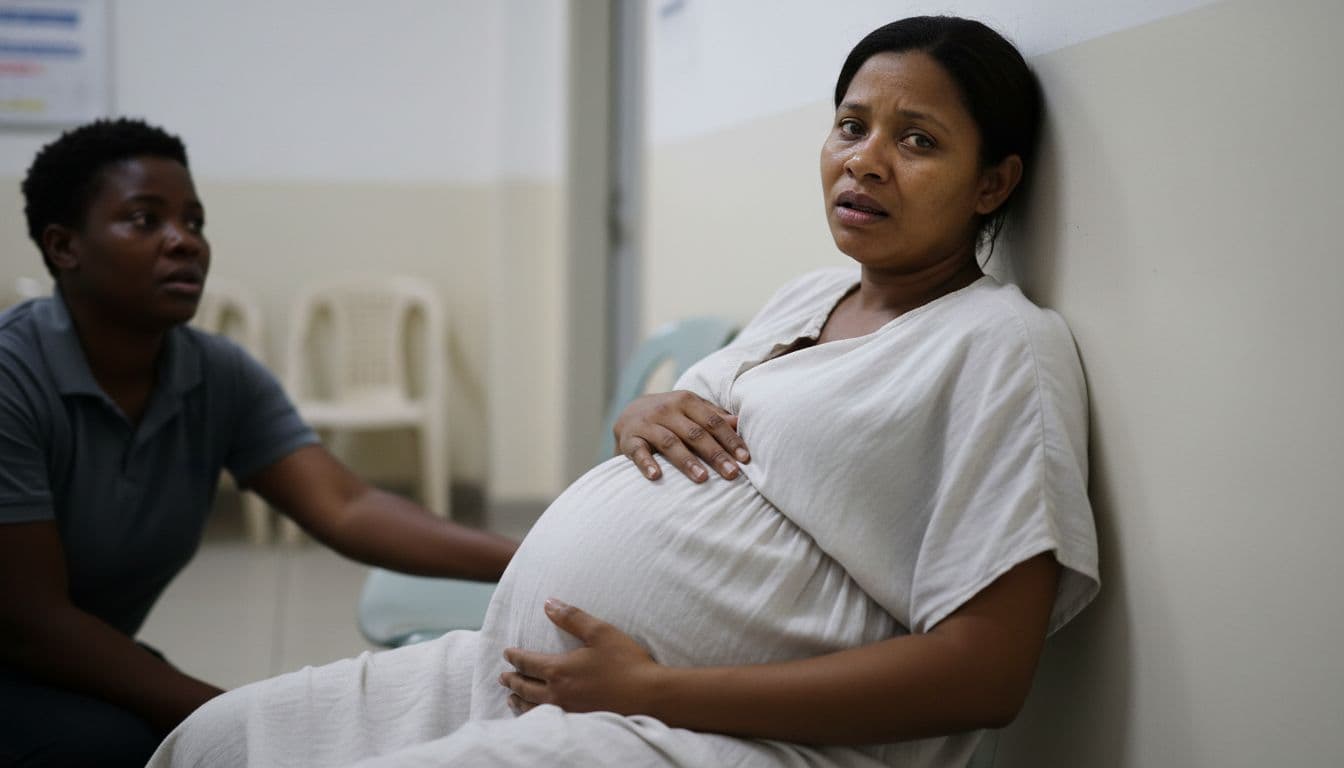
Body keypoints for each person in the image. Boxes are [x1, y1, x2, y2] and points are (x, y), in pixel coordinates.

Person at [150, 16, 1099, 768]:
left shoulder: (1002, 347)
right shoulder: (808, 297)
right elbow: (694, 436)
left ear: (993, 183)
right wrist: (639, 415)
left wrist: (651, 691)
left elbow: (985, 674)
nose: (865, 159)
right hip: (530, 673)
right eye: (852, 125)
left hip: (714, 734)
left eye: (918, 140)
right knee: (218, 741)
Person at [0, 118, 519, 767]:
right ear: (63, 246)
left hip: (68, 658)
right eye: (144, 220)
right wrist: (241, 719)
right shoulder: (12, 378)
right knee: (142, 746)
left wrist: (531, 558)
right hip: (25, 655)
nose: (183, 242)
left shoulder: (215, 374)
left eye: (194, 222)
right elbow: (31, 623)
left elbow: (347, 506)